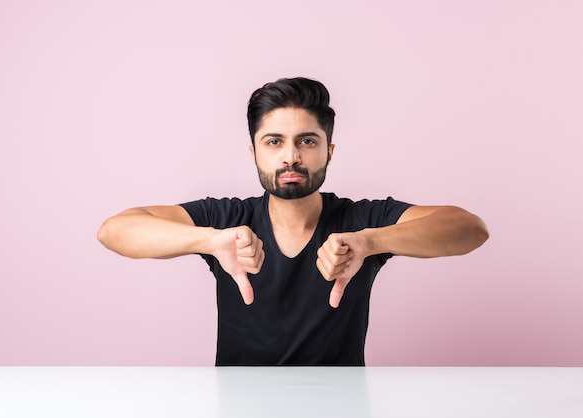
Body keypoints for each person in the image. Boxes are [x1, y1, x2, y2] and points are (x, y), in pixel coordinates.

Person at [97, 77, 489, 366]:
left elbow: (469, 228)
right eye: (274, 142)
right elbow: (114, 230)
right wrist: (208, 241)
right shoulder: (227, 220)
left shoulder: (360, 220)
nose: (290, 157)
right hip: (238, 408)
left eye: (307, 141)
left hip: (341, 408)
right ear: (254, 152)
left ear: (329, 151)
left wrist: (372, 242)